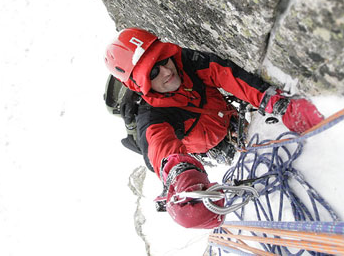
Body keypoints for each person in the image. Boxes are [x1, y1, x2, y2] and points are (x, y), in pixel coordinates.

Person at [104, 28, 324, 229]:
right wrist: (182, 178)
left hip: (226, 118)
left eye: (163, 58)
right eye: (152, 73)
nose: (165, 71)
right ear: (139, 85)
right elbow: (160, 148)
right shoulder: (153, 117)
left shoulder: (186, 62)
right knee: (229, 154)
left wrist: (275, 102)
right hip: (208, 147)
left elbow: (225, 74)